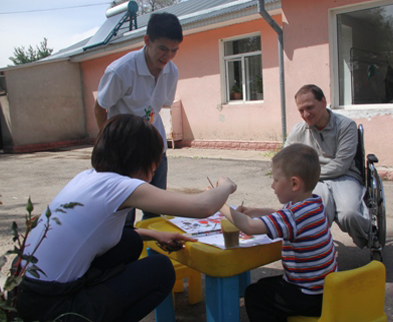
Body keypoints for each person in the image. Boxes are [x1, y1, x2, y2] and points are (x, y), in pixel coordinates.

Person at [16, 114, 236, 322]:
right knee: (161, 270)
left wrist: (154, 234)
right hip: (55, 307)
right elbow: (203, 206)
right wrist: (226, 185)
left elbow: (98, 232)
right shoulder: (121, 185)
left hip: (25, 293)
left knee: (131, 242)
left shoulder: (87, 177)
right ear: (144, 158)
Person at [219, 143, 337, 322]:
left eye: (275, 179)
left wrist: (219, 203)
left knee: (254, 295)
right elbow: (280, 214)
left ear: (294, 183)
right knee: (264, 285)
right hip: (325, 290)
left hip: (309, 296)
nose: (272, 185)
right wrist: (255, 210)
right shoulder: (313, 204)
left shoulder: (294, 216)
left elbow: (250, 227)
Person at [94, 12, 183, 221]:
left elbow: (159, 107)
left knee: (154, 213)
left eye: (174, 50)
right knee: (122, 216)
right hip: (124, 154)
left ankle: (152, 254)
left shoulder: (172, 72)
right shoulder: (121, 71)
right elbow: (100, 108)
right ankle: (126, 253)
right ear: (147, 41)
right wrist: (109, 145)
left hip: (156, 151)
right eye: (162, 48)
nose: (167, 56)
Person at [284, 84, 370, 249]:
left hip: (345, 176)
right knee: (317, 213)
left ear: (323, 102)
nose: (306, 114)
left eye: (309, 107)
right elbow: (285, 157)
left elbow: (341, 165)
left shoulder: (346, 126)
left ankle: (367, 239)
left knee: (349, 214)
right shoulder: (299, 130)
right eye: (301, 110)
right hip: (316, 181)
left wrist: (306, 175)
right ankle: (318, 251)